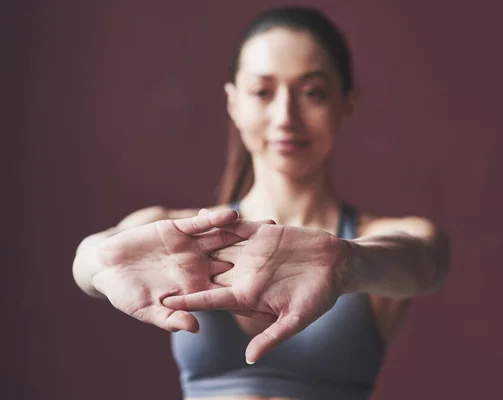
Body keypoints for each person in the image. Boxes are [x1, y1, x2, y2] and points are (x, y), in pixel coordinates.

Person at [72, 5, 450, 400]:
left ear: (347, 102)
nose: (285, 116)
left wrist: (349, 263)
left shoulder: (382, 240)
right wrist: (100, 260)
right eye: (262, 92)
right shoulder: (174, 233)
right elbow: (89, 260)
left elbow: (422, 262)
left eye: (312, 92)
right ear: (234, 102)